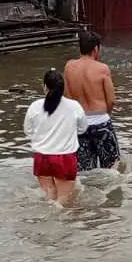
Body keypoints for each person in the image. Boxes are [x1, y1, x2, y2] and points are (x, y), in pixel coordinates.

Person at [63, 33, 124, 173]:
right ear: (96, 49)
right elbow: (111, 100)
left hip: (79, 124)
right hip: (100, 122)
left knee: (84, 171)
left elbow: (67, 97)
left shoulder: (69, 67)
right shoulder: (102, 69)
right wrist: (107, 115)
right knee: (112, 168)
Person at [23, 68, 86, 203]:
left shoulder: (34, 106)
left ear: (45, 87)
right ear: (63, 88)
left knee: (49, 198)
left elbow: (28, 131)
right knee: (64, 201)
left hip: (42, 158)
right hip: (65, 158)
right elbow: (82, 129)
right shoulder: (74, 106)